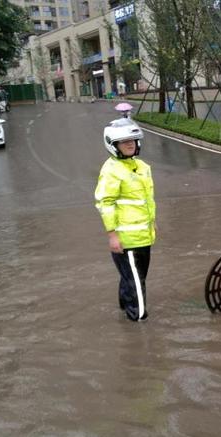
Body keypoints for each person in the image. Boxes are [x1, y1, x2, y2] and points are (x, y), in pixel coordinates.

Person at [94, 123, 154, 322]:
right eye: (124, 142)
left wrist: (152, 223)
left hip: (143, 236)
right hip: (126, 240)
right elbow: (105, 202)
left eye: (132, 141)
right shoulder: (111, 170)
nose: (130, 145)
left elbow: (145, 201)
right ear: (114, 145)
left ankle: (124, 305)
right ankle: (138, 320)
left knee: (135, 277)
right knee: (137, 285)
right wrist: (112, 236)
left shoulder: (142, 167)